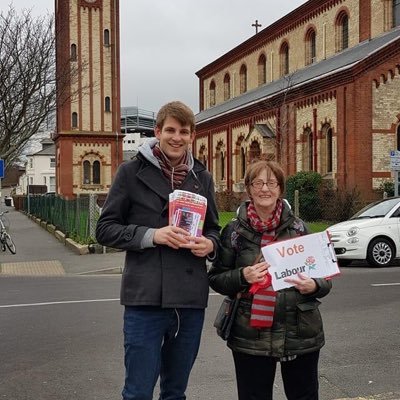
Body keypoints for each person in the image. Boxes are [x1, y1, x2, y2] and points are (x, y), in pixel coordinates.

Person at [96, 101, 220, 400]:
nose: (177, 138)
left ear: (192, 136)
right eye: (170, 130)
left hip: (189, 300)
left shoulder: (201, 177)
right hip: (145, 300)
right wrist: (153, 235)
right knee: (138, 392)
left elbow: (214, 227)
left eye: (184, 132)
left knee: (175, 392)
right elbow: (105, 229)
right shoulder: (130, 172)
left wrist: (210, 244)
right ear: (157, 132)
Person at [208, 160, 332, 400]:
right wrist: (243, 276)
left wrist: (314, 285)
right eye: (258, 183)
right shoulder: (233, 232)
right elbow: (216, 278)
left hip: (299, 331)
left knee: (304, 395)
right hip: (250, 336)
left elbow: (325, 277)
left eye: (271, 183)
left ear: (280, 189)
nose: (265, 189)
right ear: (249, 188)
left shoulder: (299, 229)